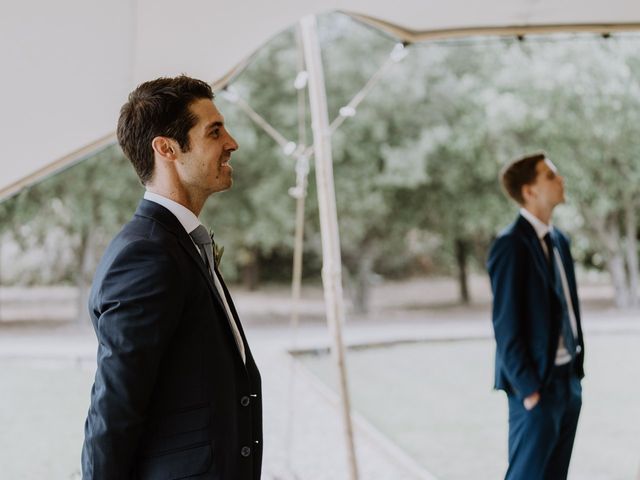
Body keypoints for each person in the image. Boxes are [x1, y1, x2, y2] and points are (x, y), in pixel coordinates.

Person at [81, 76, 262, 479]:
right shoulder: (144, 255)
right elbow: (115, 409)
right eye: (214, 131)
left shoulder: (179, 242)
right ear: (166, 149)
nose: (232, 142)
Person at [487, 152, 585, 480]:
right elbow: (506, 326)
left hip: (568, 381)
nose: (561, 181)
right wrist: (529, 390)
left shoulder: (560, 241)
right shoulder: (510, 245)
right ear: (530, 191)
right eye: (551, 176)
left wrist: (574, 376)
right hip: (535, 388)